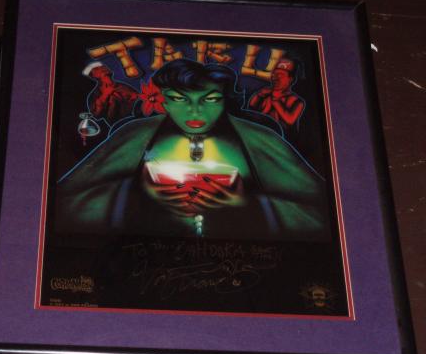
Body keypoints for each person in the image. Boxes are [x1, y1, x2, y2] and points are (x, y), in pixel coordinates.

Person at [56, 59, 328, 240]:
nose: (195, 111)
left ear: (225, 100)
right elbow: (61, 206)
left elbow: (325, 215)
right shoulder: (134, 134)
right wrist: (137, 193)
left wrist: (248, 204)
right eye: (179, 99)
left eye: (210, 99)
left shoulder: (260, 139)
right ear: (163, 101)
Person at [248, 58, 305, 129]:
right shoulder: (266, 94)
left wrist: (276, 101)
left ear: (290, 79)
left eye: (280, 75)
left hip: (280, 134)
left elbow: (290, 120)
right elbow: (250, 109)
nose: (275, 78)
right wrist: (259, 95)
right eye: (274, 74)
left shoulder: (297, 102)